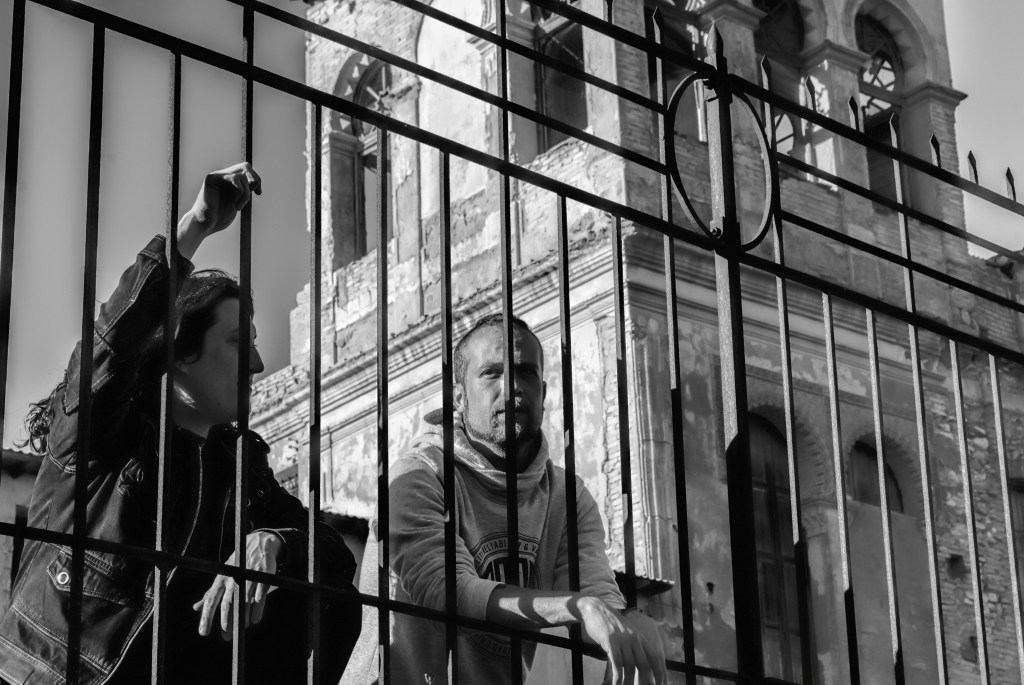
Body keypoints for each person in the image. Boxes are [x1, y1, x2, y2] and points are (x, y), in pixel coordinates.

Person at [0, 164, 359, 685]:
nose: (258, 365)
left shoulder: (239, 471)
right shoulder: (103, 436)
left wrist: (274, 542)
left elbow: (335, 554)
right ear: (181, 353)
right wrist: (194, 228)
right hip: (52, 677)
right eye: (238, 343)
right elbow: (109, 348)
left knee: (328, 597)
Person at [373, 313, 667, 685]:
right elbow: (447, 592)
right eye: (492, 373)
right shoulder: (418, 474)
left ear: (543, 392)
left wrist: (631, 618)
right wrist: (577, 607)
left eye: (526, 372)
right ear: (459, 397)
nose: (512, 386)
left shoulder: (567, 495)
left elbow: (595, 596)